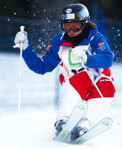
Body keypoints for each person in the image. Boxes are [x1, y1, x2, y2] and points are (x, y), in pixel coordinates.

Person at [14, 3, 116, 141]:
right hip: (73, 82)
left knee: (107, 85)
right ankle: (63, 120)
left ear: (84, 23)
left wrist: (87, 58)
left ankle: (84, 125)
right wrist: (25, 48)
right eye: (67, 26)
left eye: (75, 26)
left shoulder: (95, 38)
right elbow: (42, 67)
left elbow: (107, 59)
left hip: (97, 82)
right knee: (82, 77)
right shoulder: (59, 43)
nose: (71, 30)